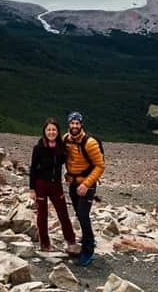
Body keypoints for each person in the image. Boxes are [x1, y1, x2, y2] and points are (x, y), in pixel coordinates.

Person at [29, 117, 77, 254]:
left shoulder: (61, 146)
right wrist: (32, 188)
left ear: (58, 132)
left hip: (56, 184)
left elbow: (67, 161)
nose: (51, 132)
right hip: (41, 184)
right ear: (44, 131)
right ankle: (44, 243)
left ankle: (71, 240)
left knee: (63, 212)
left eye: (54, 130)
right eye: (49, 130)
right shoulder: (38, 148)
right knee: (42, 214)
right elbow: (32, 169)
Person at [63, 110, 104, 266]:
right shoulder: (65, 139)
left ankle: (88, 251)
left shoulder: (90, 143)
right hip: (73, 182)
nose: (74, 126)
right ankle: (90, 238)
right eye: (72, 123)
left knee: (83, 214)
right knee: (79, 214)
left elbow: (100, 166)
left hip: (86, 184)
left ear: (81, 125)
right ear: (69, 124)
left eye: (77, 123)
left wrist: (86, 184)